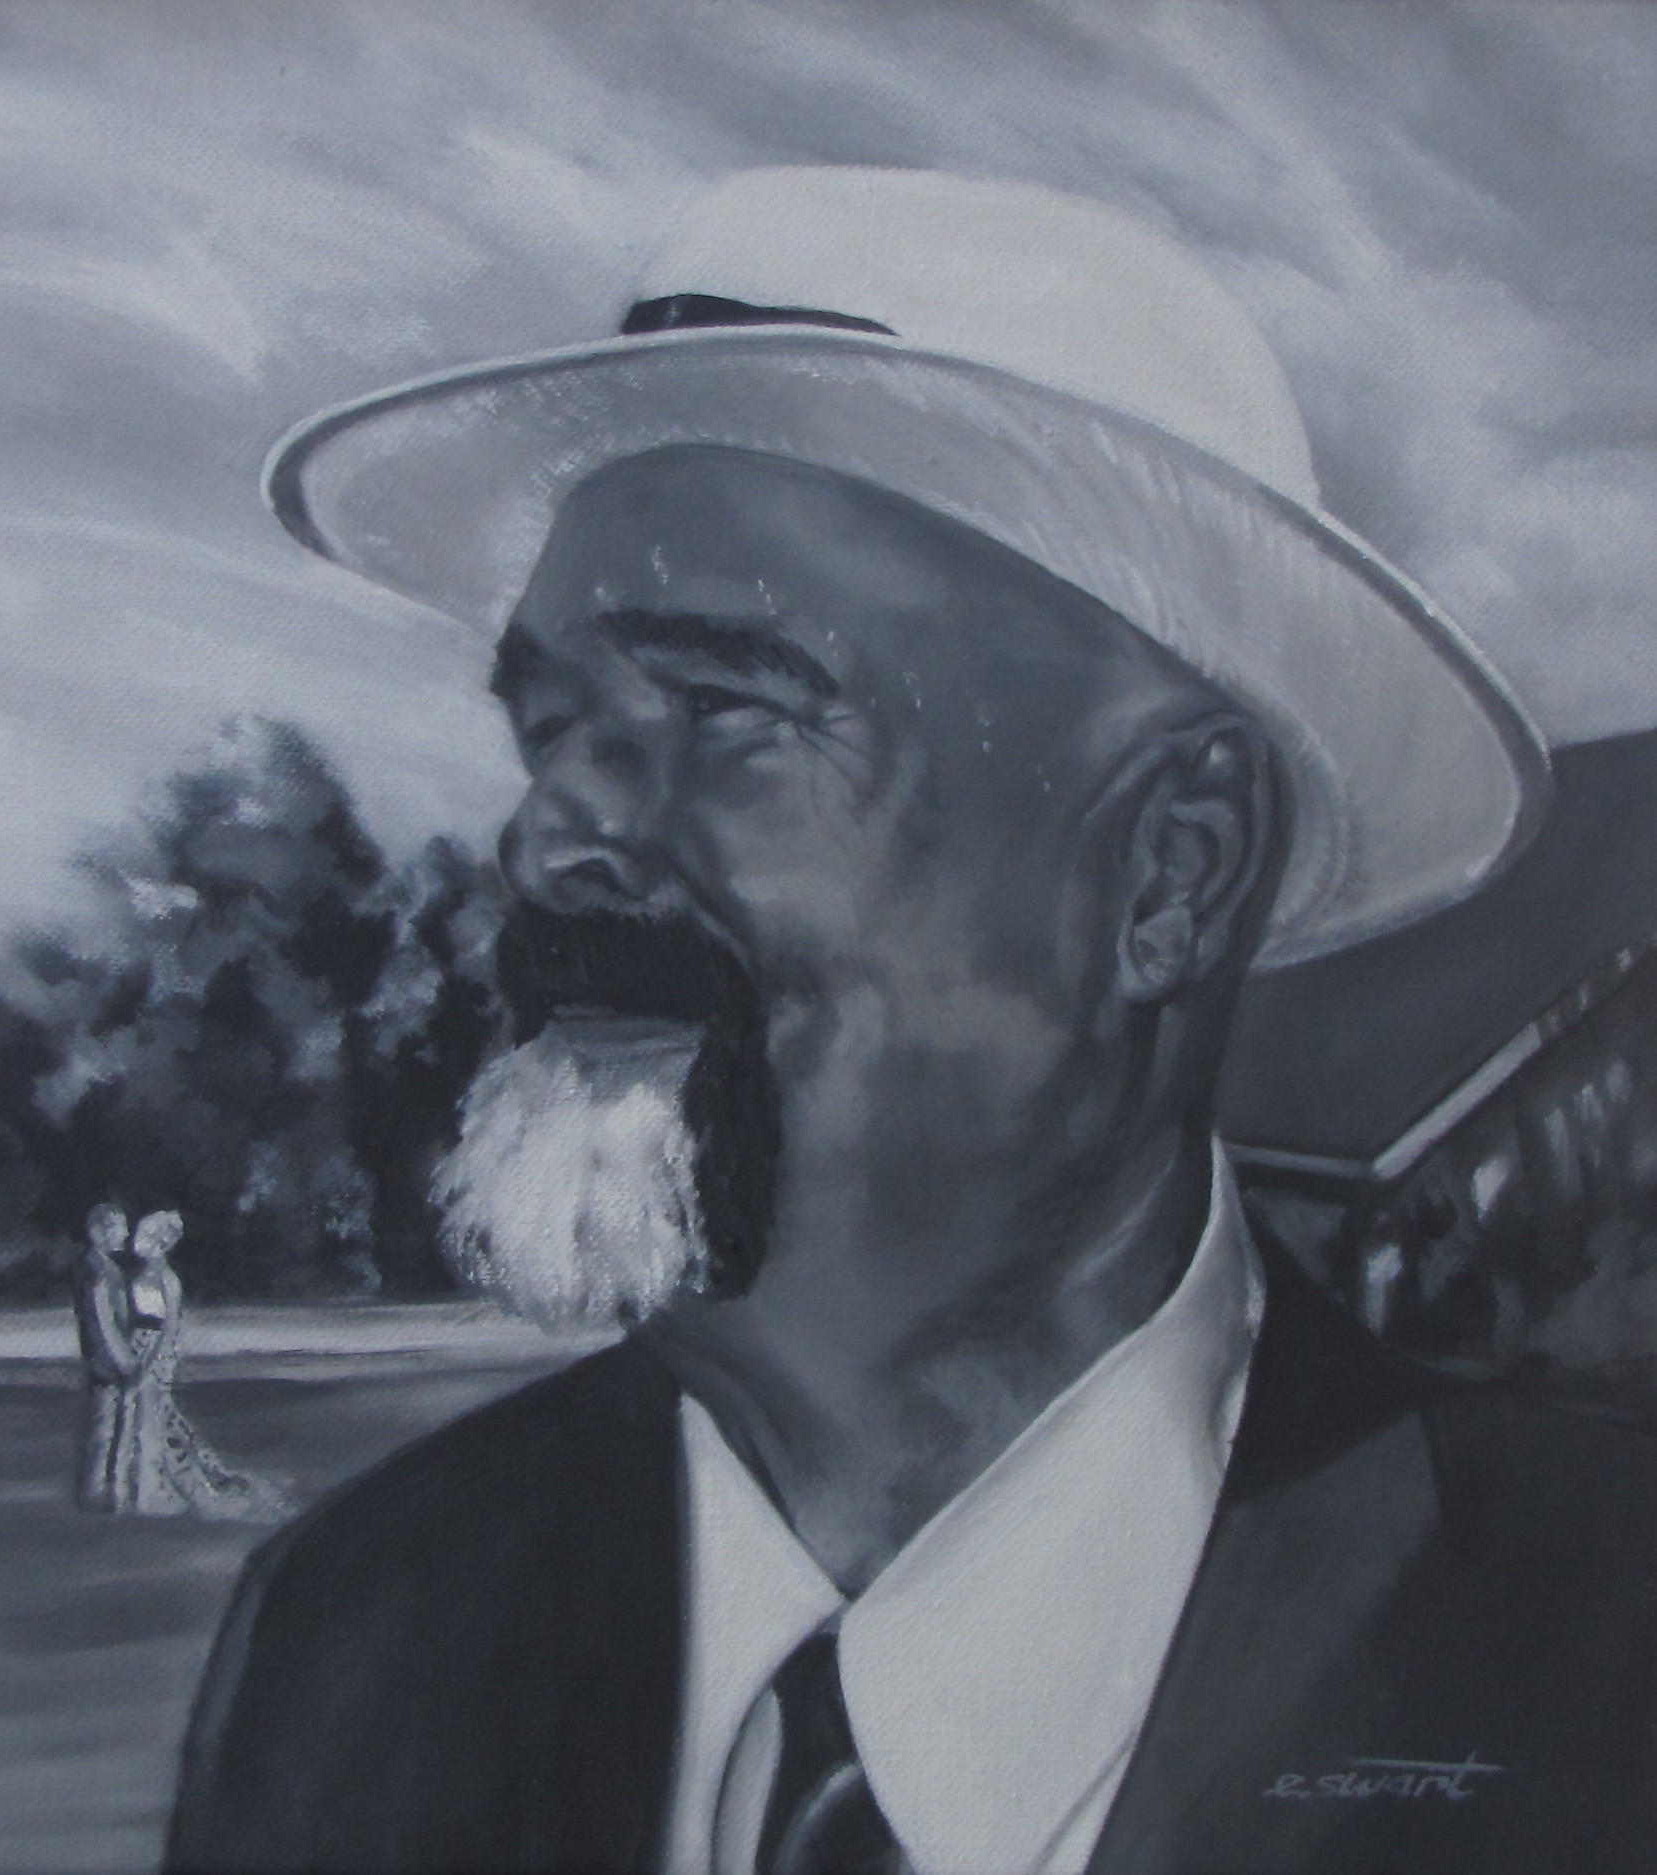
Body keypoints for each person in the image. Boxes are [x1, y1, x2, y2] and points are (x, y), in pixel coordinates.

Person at [167, 171, 1656, 1873]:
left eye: (724, 705)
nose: (548, 835)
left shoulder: (1605, 1649)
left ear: (1173, 869)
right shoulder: (354, 1636)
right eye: (554, 726)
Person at [74, 1206, 288, 1521]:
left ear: (159, 1243)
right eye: (134, 1232)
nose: (134, 1239)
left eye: (143, 1235)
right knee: (131, 1419)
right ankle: (124, 1490)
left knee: (149, 1415)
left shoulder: (166, 1279)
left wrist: (155, 1359)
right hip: (135, 1349)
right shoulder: (130, 1274)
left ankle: (149, 1490)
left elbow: (171, 1324)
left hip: (152, 1352)